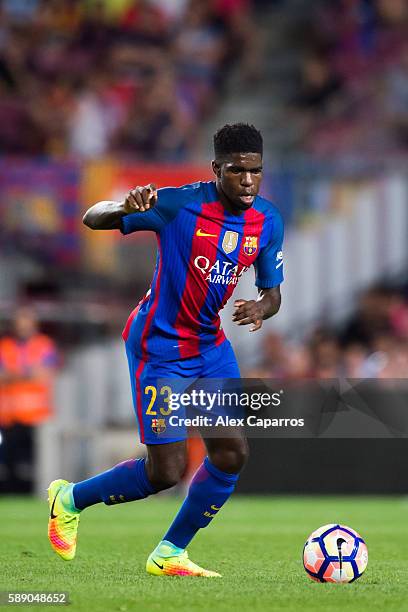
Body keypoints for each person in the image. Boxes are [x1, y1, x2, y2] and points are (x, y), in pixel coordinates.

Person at [47, 123, 284, 577]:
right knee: (165, 471)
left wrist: (261, 308)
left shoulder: (267, 220)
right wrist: (124, 205)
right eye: (237, 172)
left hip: (210, 347)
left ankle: (170, 552)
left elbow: (273, 293)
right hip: (159, 349)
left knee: (232, 453)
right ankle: (70, 498)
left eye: (256, 171)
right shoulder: (178, 204)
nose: (248, 181)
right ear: (217, 169)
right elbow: (92, 217)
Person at [0, 307, 58, 493]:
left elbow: (45, 374)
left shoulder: (44, 345)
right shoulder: (5, 346)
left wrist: (14, 374)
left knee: (33, 463)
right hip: (8, 417)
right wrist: (27, 373)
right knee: (9, 462)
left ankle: (31, 492)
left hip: (35, 417)